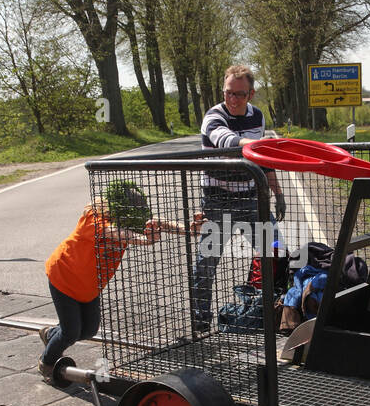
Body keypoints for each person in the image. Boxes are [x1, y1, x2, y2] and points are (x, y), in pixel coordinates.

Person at [41, 180, 201, 382]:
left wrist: (189, 229)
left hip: (89, 287)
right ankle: (46, 363)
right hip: (64, 277)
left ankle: (51, 334)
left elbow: (157, 222)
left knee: (89, 329)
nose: (137, 217)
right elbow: (115, 233)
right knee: (71, 332)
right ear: (116, 208)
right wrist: (145, 240)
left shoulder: (127, 221)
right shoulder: (93, 219)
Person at [190, 64, 285, 334]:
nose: (232, 99)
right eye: (228, 93)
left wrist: (277, 193)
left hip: (253, 199)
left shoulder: (258, 117)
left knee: (275, 253)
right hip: (218, 202)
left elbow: (264, 162)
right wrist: (254, 146)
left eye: (239, 95)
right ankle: (201, 323)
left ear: (251, 95)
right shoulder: (213, 115)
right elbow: (226, 141)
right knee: (206, 264)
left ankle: (272, 313)